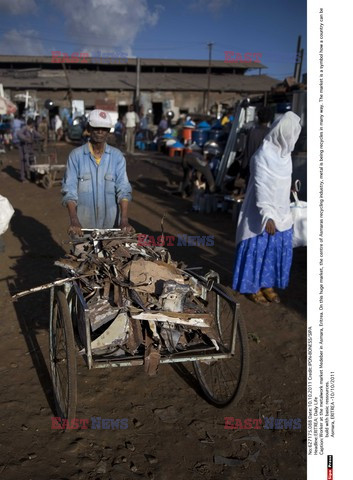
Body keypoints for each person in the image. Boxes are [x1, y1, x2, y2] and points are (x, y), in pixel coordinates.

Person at [232, 112, 301, 305]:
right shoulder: (263, 155)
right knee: (258, 249)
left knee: (273, 252)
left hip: (282, 211)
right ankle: (253, 287)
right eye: (291, 134)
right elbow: (261, 187)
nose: (292, 138)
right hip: (261, 215)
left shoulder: (285, 156)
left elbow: (281, 181)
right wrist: (267, 216)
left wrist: (289, 187)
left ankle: (267, 285)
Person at [61, 109, 133, 236]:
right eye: (96, 128)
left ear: (109, 131)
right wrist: (74, 220)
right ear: (89, 128)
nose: (100, 132)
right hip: (83, 229)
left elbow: (124, 189)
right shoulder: (76, 156)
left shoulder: (117, 157)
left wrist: (124, 219)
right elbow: (69, 190)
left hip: (112, 228)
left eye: (104, 128)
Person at [241, 106, 273, 188]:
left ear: (258, 117)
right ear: (269, 119)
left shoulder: (252, 132)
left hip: (252, 170)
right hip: (267, 172)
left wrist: (242, 171)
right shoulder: (271, 134)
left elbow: (247, 153)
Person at [17, 118, 42, 182]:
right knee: (24, 162)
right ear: (30, 124)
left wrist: (41, 136)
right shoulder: (24, 128)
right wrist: (26, 139)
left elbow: (37, 134)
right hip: (23, 148)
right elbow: (19, 134)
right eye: (33, 123)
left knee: (32, 161)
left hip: (30, 148)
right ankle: (23, 178)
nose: (34, 125)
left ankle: (33, 176)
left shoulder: (32, 129)